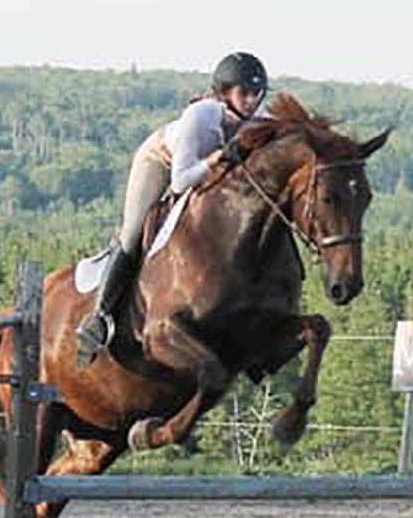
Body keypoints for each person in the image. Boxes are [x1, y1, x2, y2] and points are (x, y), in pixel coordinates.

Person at [72, 52, 272, 364]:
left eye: (257, 94)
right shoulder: (201, 117)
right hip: (162, 162)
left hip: (206, 173)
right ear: (224, 92)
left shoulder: (261, 119)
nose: (252, 101)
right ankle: (99, 317)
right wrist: (216, 159)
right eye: (244, 93)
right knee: (133, 232)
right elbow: (180, 181)